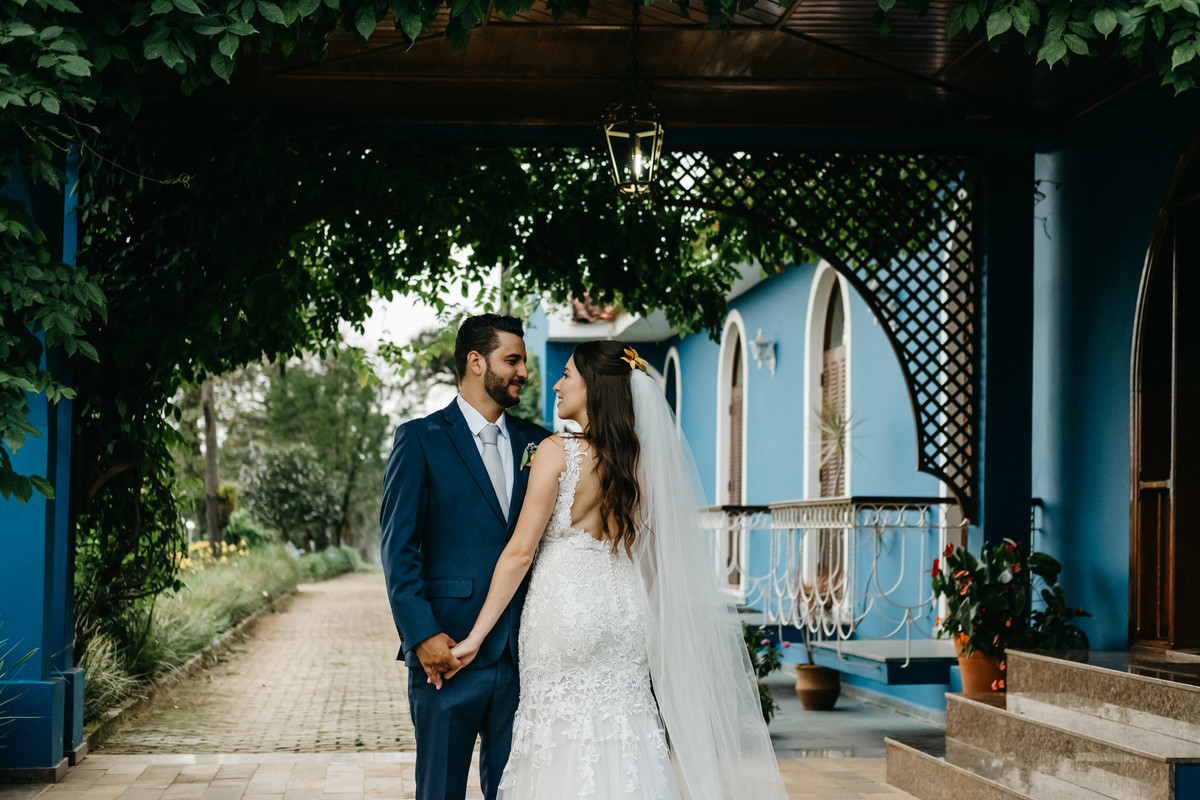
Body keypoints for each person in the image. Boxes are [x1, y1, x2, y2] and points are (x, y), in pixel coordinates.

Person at [445, 340, 788, 800]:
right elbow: (652, 563)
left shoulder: (557, 451)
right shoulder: (641, 460)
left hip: (564, 614)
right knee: (627, 733)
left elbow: (519, 554)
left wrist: (475, 636)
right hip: (626, 615)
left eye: (567, 375)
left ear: (594, 387)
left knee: (560, 735)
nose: (557, 385)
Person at [380, 314, 551, 800]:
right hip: (447, 656)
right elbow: (398, 548)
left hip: (525, 657)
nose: (523, 372)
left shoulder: (538, 443)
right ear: (477, 362)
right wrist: (423, 636)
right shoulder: (420, 439)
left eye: (523, 362)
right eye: (512, 360)